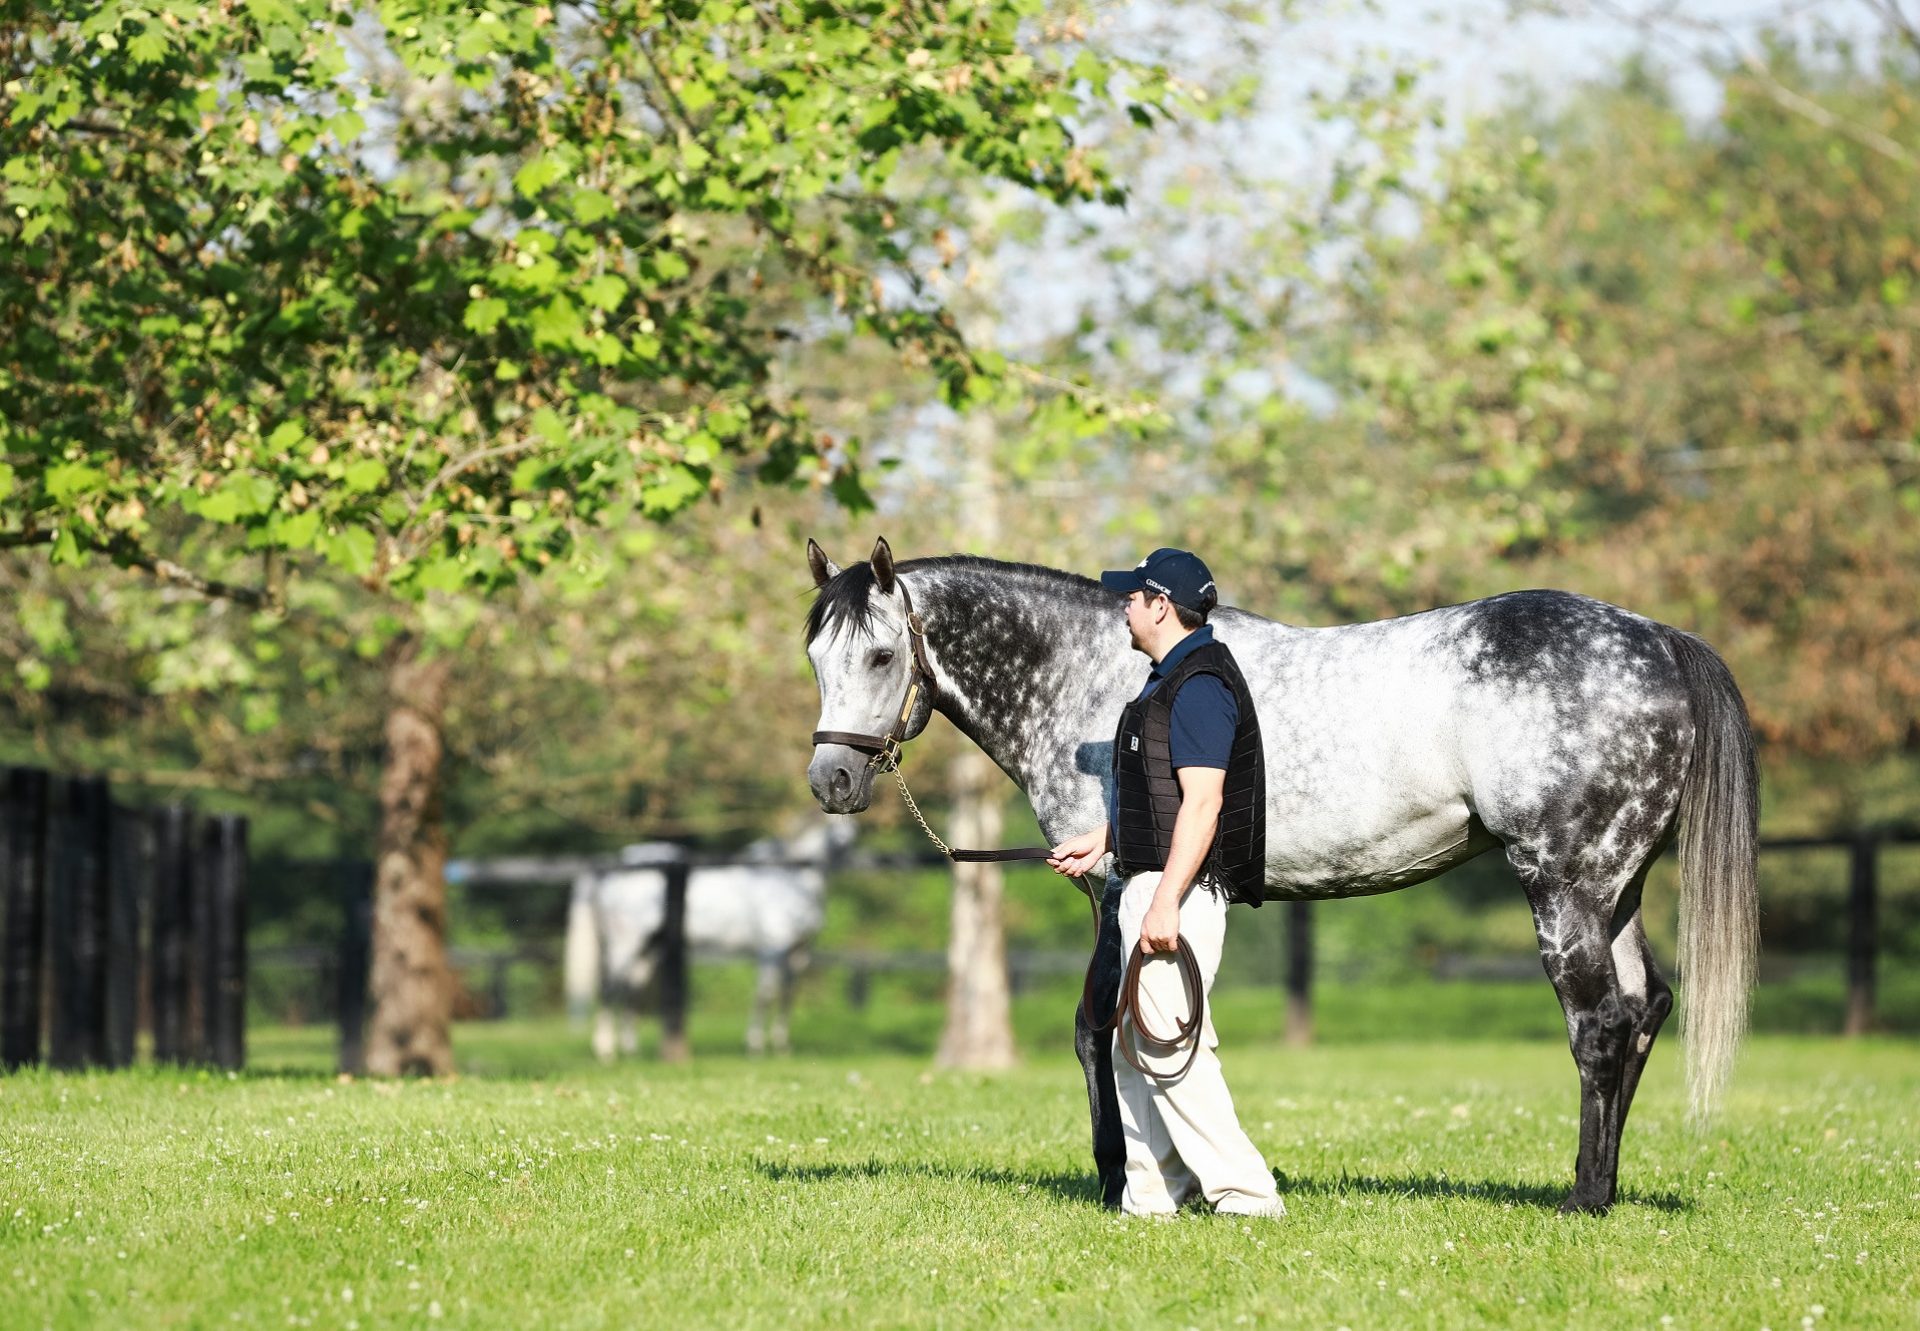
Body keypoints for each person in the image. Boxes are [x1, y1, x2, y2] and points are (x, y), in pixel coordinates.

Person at [1047, 548, 1285, 1219]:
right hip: (1150, 878)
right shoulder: (1169, 677)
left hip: (1175, 891)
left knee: (1172, 1048)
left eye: (1132, 597)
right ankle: (1153, 1195)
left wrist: (1165, 898)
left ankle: (1247, 1194)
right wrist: (1107, 838)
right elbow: (1163, 795)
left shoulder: (1201, 685)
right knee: (1134, 1052)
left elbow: (1203, 803)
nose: (1122, 606)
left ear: (1160, 605)